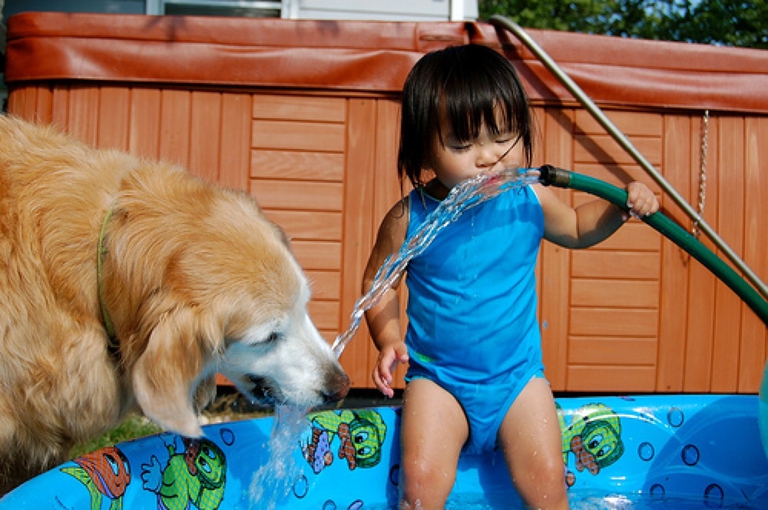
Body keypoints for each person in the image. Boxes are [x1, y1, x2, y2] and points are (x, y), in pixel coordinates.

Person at [362, 44, 659, 510]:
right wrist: (388, 335)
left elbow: (580, 227)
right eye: (463, 144)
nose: (488, 158)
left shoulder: (529, 199)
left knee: (548, 486)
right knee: (418, 489)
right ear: (424, 149)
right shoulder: (411, 216)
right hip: (438, 382)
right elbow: (380, 283)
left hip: (518, 380)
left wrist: (619, 206)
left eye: (502, 137)